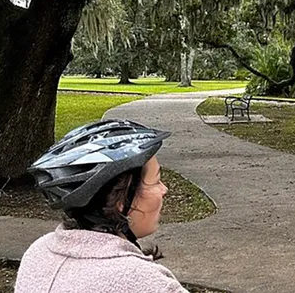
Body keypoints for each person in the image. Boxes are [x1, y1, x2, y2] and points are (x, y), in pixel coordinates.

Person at [15, 119, 188, 293]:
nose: (164, 189)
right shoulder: (148, 283)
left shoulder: (38, 253)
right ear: (120, 200)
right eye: (156, 181)